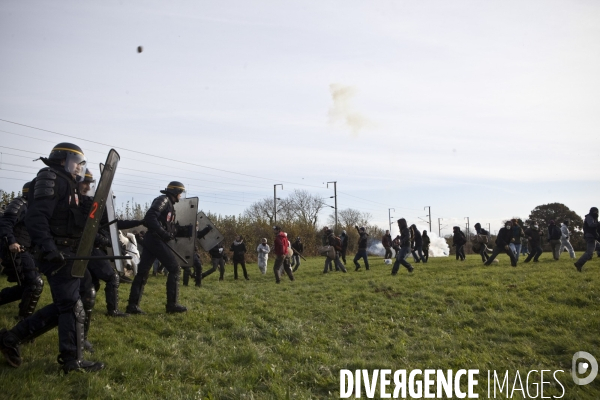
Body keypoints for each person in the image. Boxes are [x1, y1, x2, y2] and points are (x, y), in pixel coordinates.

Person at [0, 143, 104, 373]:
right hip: (57, 253)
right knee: (70, 305)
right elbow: (36, 218)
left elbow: (74, 217)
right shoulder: (50, 177)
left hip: (70, 252)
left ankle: (11, 338)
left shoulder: (69, 184)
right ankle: (71, 361)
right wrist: (49, 249)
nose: (79, 167)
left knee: (75, 300)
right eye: (77, 162)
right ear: (64, 159)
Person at [79, 169, 144, 319]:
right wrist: (105, 240)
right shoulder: (87, 208)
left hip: (93, 248)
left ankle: (83, 312)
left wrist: (139, 221)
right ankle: (112, 311)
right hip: (90, 248)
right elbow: (88, 231)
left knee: (92, 284)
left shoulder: (98, 211)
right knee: (111, 277)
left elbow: (115, 223)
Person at [126, 181, 193, 315]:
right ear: (175, 192)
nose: (181, 196)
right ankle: (172, 305)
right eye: (180, 193)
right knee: (174, 268)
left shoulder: (169, 205)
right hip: (156, 240)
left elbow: (168, 226)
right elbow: (150, 217)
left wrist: (184, 230)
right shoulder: (163, 200)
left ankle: (132, 306)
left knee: (143, 272)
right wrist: (163, 233)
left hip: (153, 240)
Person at [0, 181, 44, 320]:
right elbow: (5, 223)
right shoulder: (20, 203)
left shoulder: (34, 209)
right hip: (15, 250)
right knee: (35, 283)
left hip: (27, 251)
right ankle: (24, 321)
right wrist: (12, 242)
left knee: (27, 286)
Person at [574, 207, 600, 272]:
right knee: (589, 252)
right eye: (595, 211)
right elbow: (591, 225)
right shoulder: (589, 217)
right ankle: (579, 263)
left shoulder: (593, 217)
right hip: (590, 236)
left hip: (593, 236)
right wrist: (598, 224)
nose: (596, 213)